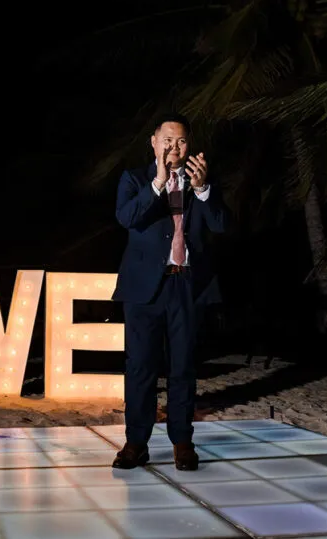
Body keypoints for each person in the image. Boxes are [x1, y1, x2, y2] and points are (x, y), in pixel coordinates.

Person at [110, 114, 227, 471]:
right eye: (167, 140)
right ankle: (136, 443)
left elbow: (221, 224)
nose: (174, 147)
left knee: (183, 368)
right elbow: (127, 218)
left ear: (189, 146)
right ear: (153, 142)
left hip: (186, 285)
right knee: (140, 367)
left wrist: (205, 190)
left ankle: (182, 442)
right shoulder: (134, 179)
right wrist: (158, 184)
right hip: (144, 289)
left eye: (181, 142)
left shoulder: (200, 182)